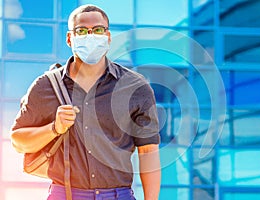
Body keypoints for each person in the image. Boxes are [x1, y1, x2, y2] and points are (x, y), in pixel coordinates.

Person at [10, 4, 161, 200]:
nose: (90, 36)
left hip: (118, 195)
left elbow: (148, 151)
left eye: (98, 30)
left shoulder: (135, 87)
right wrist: (55, 128)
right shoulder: (45, 86)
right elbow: (18, 142)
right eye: (81, 30)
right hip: (64, 194)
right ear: (69, 38)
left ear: (108, 37)